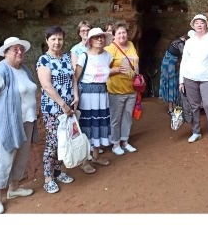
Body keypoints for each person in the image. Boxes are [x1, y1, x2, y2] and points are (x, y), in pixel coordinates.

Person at [0, 36, 38, 214]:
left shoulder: (24, 69)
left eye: (21, 49)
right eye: (15, 49)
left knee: (21, 156)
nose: (20, 52)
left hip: (27, 120)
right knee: (3, 159)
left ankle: (14, 189)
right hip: (7, 124)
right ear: (5, 53)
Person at [36, 26, 77, 194]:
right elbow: (46, 86)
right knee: (53, 142)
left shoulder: (67, 57)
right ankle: (48, 178)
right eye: (53, 39)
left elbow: (73, 78)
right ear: (47, 41)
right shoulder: (44, 60)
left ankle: (58, 172)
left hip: (69, 106)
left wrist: (76, 96)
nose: (57, 42)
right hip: (53, 108)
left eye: (59, 39)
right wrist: (63, 104)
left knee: (65, 140)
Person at [179, 14, 208, 145]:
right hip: (190, 78)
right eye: (196, 22)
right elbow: (184, 62)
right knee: (194, 105)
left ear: (206, 24)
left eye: (202, 22)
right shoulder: (189, 41)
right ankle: (196, 132)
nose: (199, 24)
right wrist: (181, 80)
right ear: (193, 25)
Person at [74, 27, 114, 173]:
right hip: (87, 93)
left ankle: (96, 155)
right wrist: (75, 96)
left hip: (102, 92)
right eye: (96, 37)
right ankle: (84, 161)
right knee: (86, 125)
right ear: (90, 40)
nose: (99, 39)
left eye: (102, 37)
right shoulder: (84, 56)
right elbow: (76, 78)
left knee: (99, 122)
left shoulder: (107, 56)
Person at [105, 21, 140, 156]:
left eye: (124, 32)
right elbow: (103, 70)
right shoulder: (110, 48)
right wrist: (117, 70)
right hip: (116, 90)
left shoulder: (131, 45)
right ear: (113, 35)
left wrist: (137, 75)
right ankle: (115, 144)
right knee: (116, 118)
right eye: (119, 33)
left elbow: (136, 62)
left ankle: (125, 141)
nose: (122, 35)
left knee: (127, 117)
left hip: (131, 88)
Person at [158, 33, 187, 116]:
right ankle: (171, 109)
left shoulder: (177, 42)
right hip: (170, 65)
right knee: (171, 84)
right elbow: (185, 56)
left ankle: (174, 107)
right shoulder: (181, 44)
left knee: (174, 84)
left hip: (170, 63)